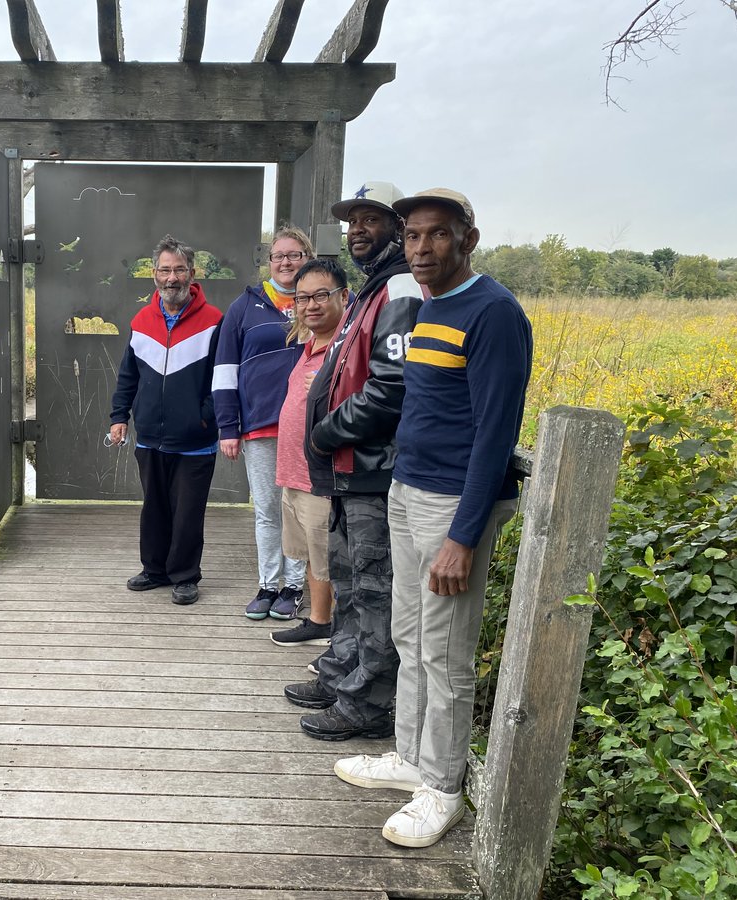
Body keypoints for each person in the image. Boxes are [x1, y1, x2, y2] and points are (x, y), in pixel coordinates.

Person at [333, 189, 533, 849]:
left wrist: (463, 536)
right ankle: (412, 758)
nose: (422, 248)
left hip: (452, 506)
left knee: (446, 654)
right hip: (407, 491)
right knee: (411, 637)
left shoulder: (494, 312)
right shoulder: (427, 307)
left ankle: (444, 788)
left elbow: (496, 434)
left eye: (437, 235)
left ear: (467, 239)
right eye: (413, 235)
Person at [281, 181, 426, 740]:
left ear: (396, 226)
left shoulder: (400, 291)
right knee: (345, 575)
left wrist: (325, 431)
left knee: (372, 586)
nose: (358, 230)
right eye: (352, 221)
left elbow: (392, 386)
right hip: (345, 469)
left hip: (371, 466)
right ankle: (342, 672)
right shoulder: (372, 289)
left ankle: (367, 703)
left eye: (371, 219)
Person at [110, 234, 223, 605]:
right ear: (154, 274)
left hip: (196, 439)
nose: (171, 277)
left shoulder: (214, 321)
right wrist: (119, 416)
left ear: (192, 273)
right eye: (164, 270)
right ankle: (154, 569)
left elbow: (221, 379)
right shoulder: (141, 320)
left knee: (188, 512)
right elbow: (129, 375)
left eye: (179, 270)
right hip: (150, 437)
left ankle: (186, 575)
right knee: (154, 507)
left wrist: (205, 418)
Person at [213, 225, 313, 622]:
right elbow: (224, 370)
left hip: (311, 427)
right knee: (268, 510)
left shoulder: (325, 299)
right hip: (261, 426)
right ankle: (268, 584)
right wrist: (227, 426)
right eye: (278, 256)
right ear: (268, 262)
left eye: (294, 255)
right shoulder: (245, 306)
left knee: (302, 509)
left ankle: (294, 587)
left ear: (308, 257)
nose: (286, 262)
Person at [267, 257, 349, 647]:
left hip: (323, 474)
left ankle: (338, 636)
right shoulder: (309, 344)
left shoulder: (345, 348)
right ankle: (318, 620)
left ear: (343, 296)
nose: (311, 305)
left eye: (321, 295)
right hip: (296, 471)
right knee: (312, 555)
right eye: (302, 298)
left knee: (329, 556)